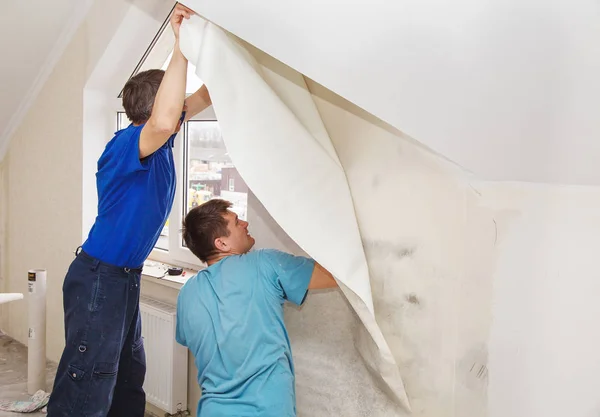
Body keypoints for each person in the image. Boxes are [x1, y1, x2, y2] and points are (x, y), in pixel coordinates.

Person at [47, 4, 210, 416]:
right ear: (153, 109)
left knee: (125, 378)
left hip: (122, 279)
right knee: (88, 383)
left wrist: (210, 42)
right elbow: (167, 115)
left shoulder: (162, 140)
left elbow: (203, 97)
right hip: (99, 278)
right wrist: (180, 49)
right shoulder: (126, 145)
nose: (178, 113)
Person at [176, 199, 338, 417]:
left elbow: (189, 339)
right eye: (236, 222)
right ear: (221, 244)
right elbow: (335, 276)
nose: (244, 223)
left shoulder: (188, 292)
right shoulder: (265, 264)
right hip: (267, 409)